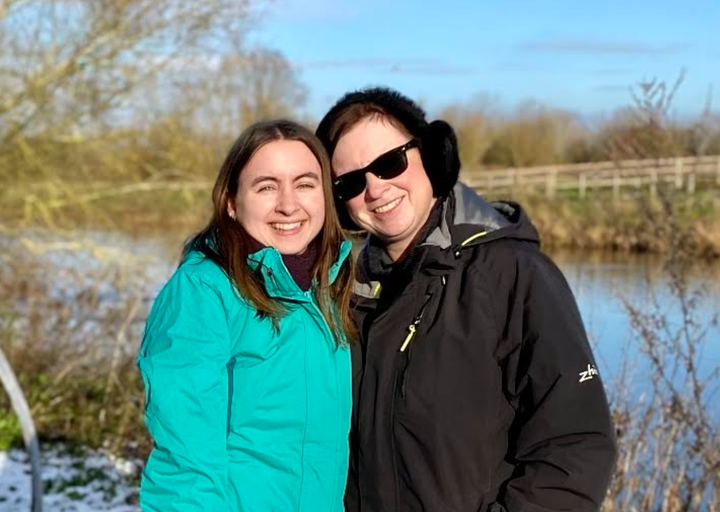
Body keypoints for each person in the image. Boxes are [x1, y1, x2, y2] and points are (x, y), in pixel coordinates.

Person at [316, 88, 617, 512]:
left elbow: (575, 446)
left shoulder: (513, 275)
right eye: (351, 182)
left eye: (389, 164)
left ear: (432, 155)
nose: (376, 189)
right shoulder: (342, 295)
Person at [137, 120, 356, 512]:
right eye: (266, 186)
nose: (289, 204)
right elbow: (186, 461)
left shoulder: (328, 285)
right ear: (232, 202)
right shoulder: (205, 291)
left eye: (305, 184)